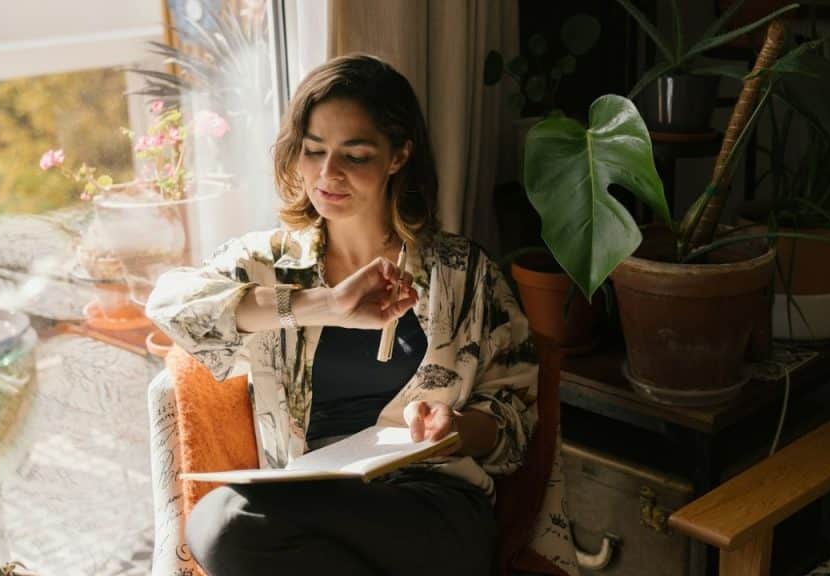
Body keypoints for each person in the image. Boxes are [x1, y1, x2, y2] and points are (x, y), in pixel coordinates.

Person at [146, 54, 540, 576]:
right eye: (313, 151)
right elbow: (169, 304)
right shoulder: (266, 264)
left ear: (398, 156)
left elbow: (516, 417)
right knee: (222, 524)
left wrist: (457, 426)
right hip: (304, 505)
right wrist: (321, 305)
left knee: (230, 524)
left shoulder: (463, 273)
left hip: (430, 508)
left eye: (354, 156)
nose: (327, 174)